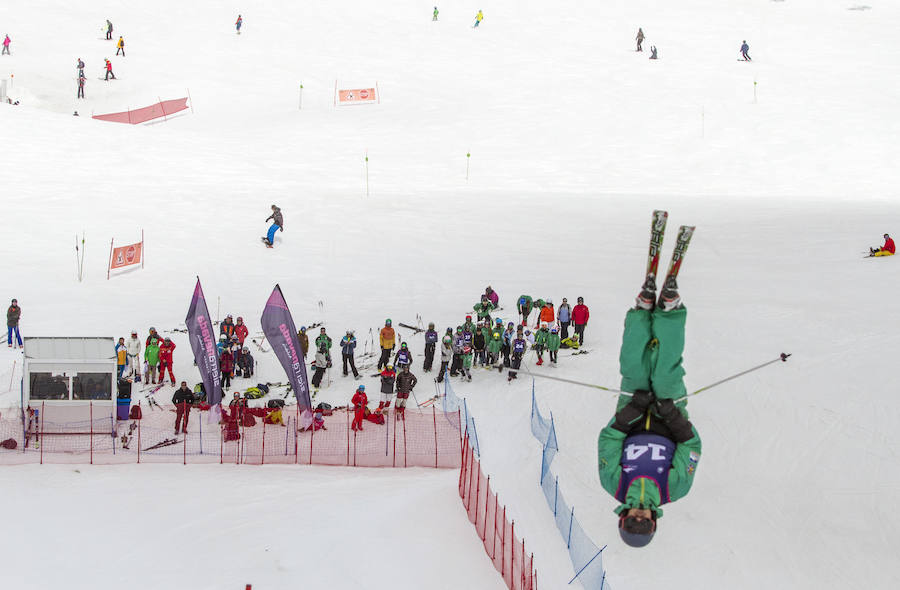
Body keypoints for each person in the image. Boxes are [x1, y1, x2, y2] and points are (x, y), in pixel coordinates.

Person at [597, 269, 701, 548]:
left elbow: (607, 440)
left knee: (633, 365)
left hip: (633, 414)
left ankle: (642, 312)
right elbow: (692, 446)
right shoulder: (674, 488)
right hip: (668, 419)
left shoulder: (613, 483)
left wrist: (632, 410)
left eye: (632, 522)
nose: (639, 518)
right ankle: (670, 312)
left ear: (623, 519)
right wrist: (670, 415)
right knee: (666, 373)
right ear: (654, 522)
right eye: (644, 524)